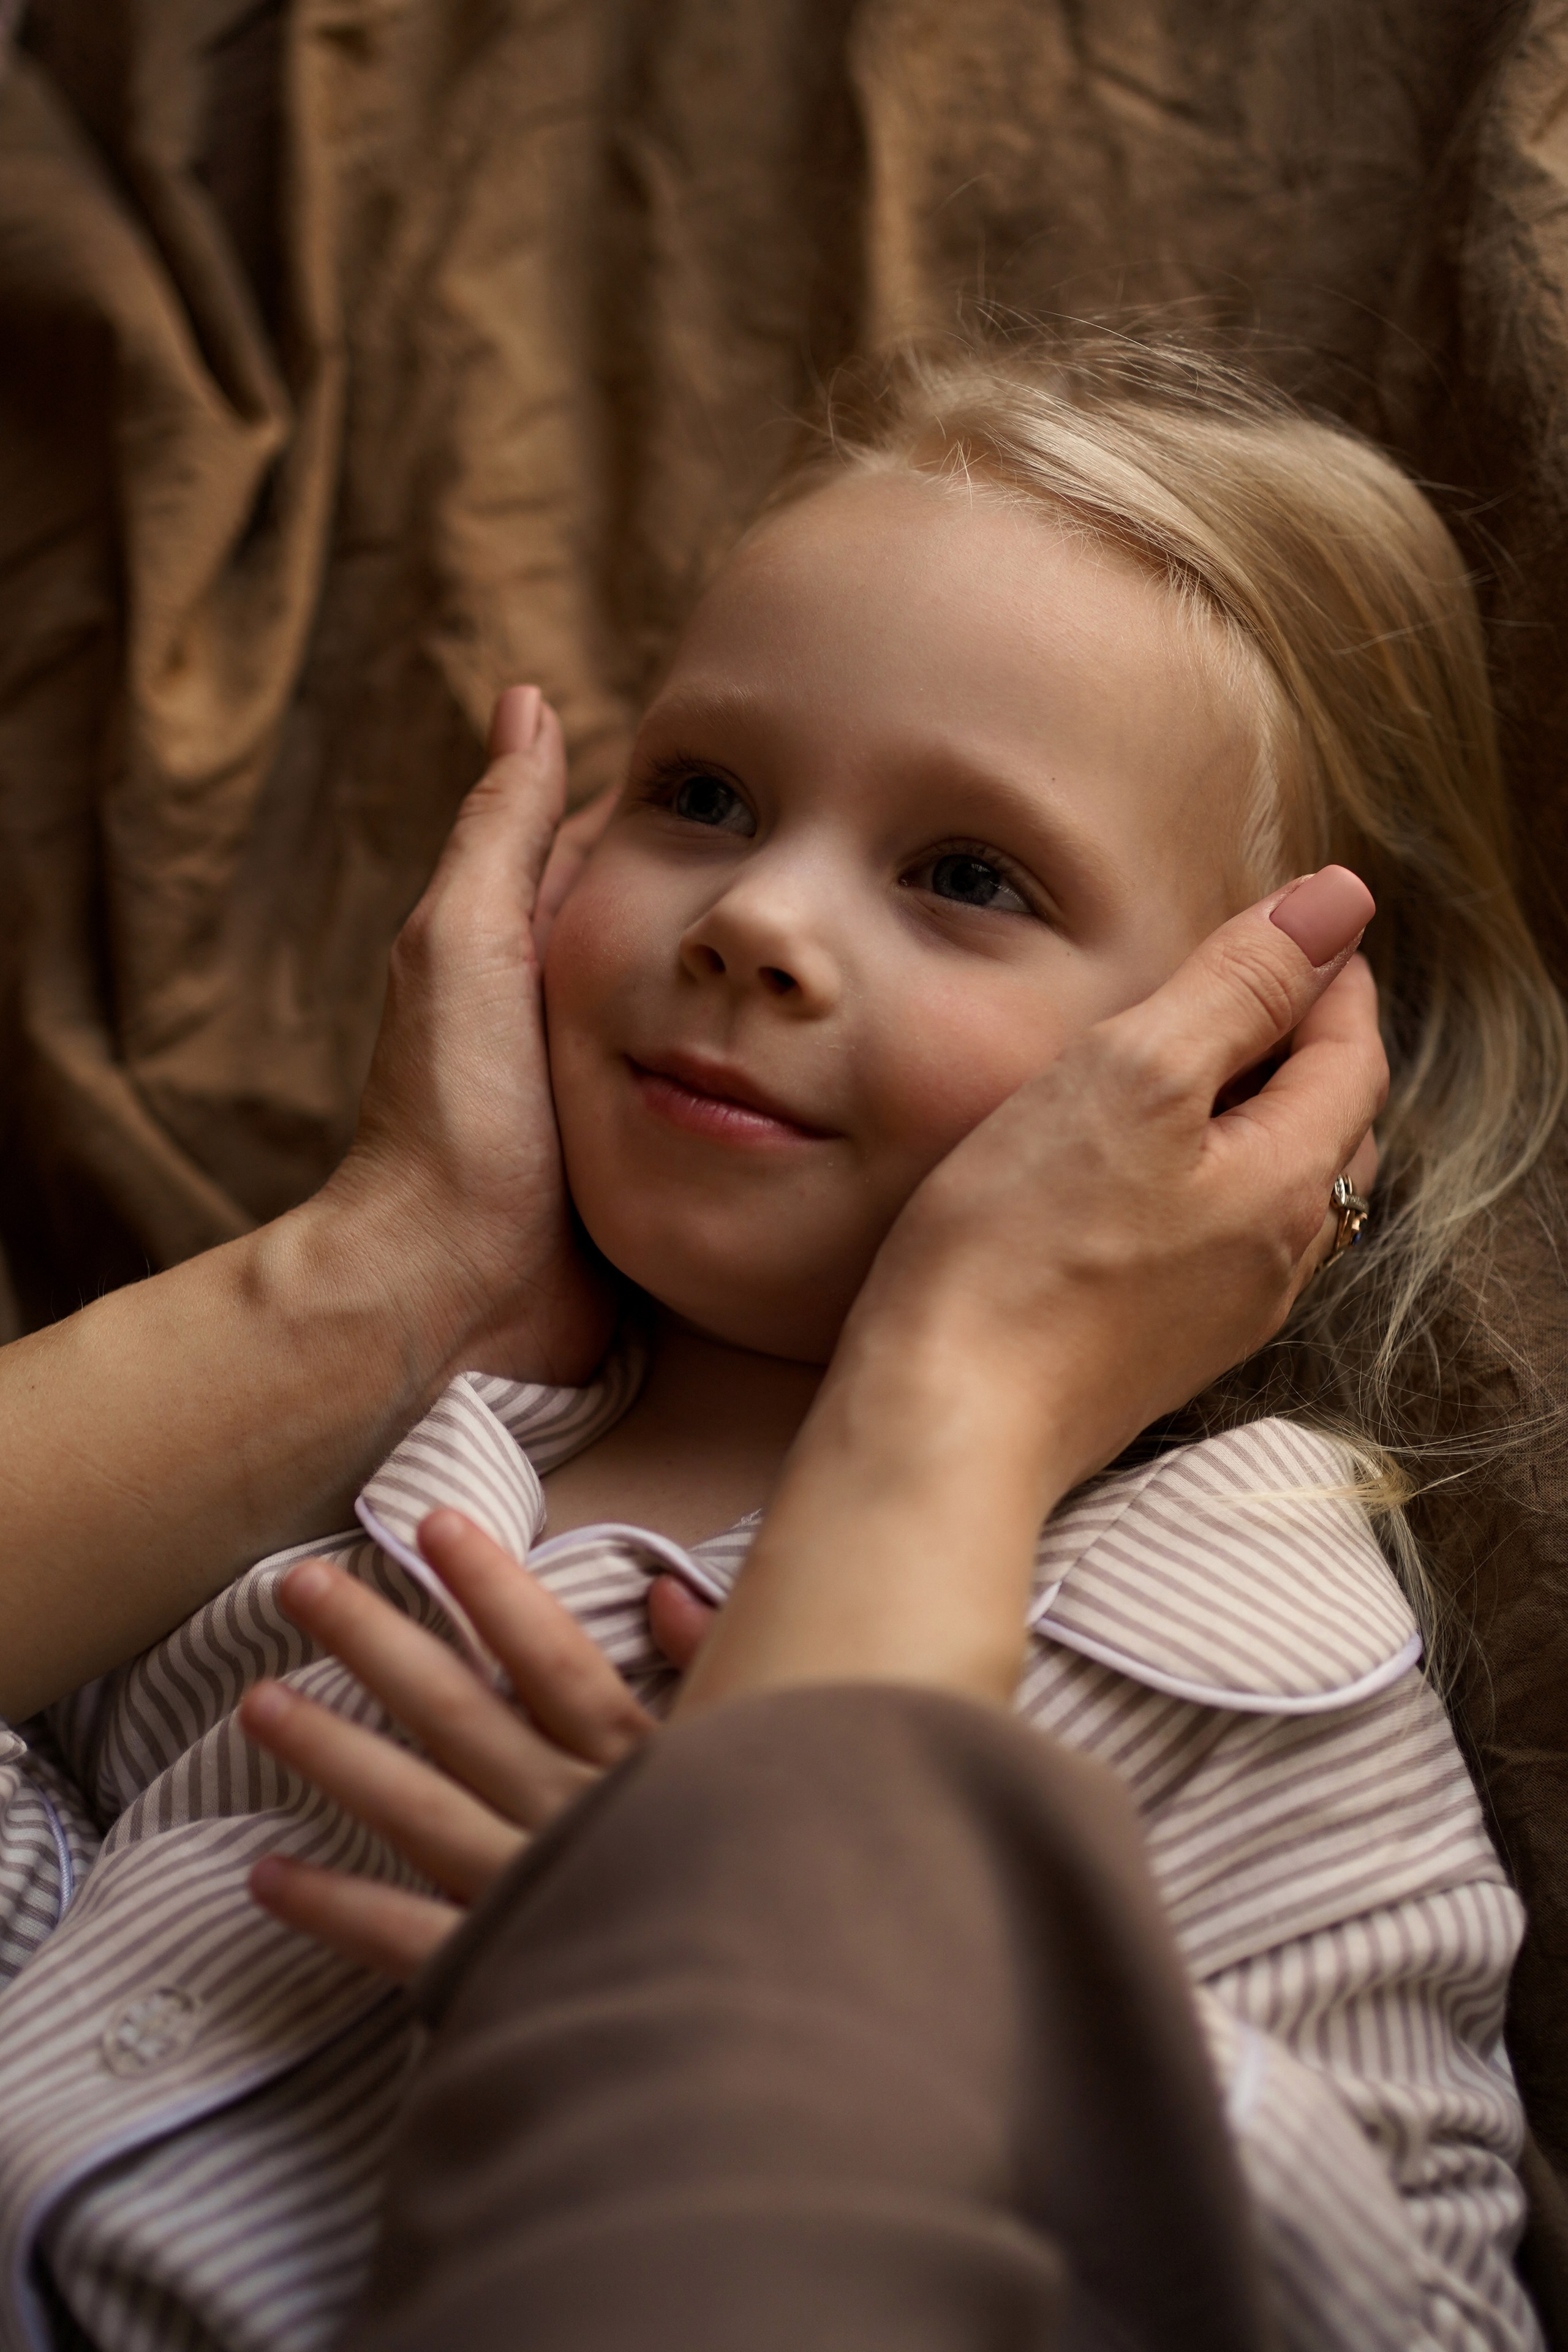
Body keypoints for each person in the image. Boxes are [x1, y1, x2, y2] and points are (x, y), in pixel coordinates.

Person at [0, 339, 1557, 2351]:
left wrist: (842, 1987)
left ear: (1261, 1075)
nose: (756, 915)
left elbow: (1430, 2310)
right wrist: (394, 1253)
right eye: (706, 794)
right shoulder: (379, 1444)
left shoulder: (1225, 1608)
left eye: (969, 875)